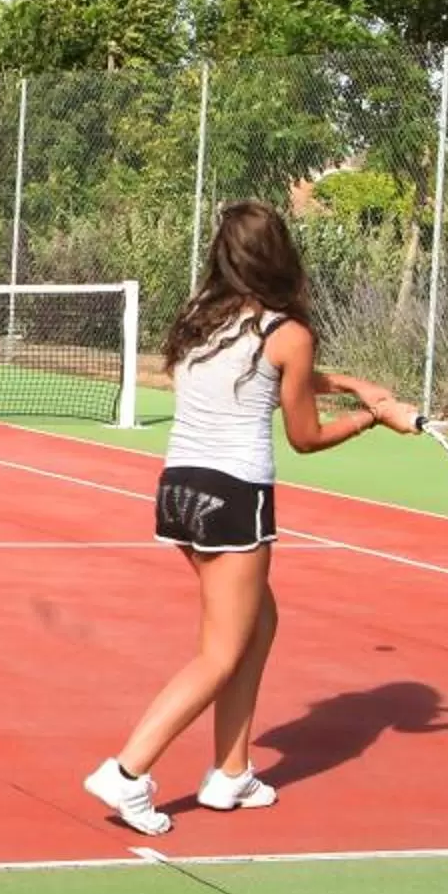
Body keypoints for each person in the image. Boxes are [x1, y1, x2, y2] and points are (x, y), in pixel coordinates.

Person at [82, 199, 418, 837]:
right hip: (236, 498)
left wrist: (354, 384)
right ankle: (126, 773)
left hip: (178, 493)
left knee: (258, 624)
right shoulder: (288, 331)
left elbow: (278, 375)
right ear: (280, 254)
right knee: (219, 653)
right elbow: (305, 438)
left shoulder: (200, 320)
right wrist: (374, 417)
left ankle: (230, 774)